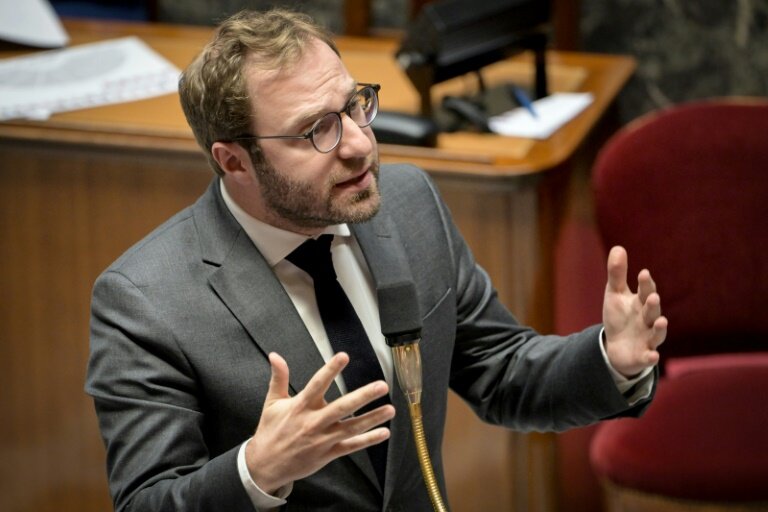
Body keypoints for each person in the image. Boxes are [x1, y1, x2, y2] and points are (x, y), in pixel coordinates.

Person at [85, 8, 667, 512]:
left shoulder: (409, 205)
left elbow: (499, 370)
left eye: (354, 105)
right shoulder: (145, 300)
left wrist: (610, 360)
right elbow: (148, 500)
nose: (361, 144)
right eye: (317, 130)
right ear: (233, 161)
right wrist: (257, 470)